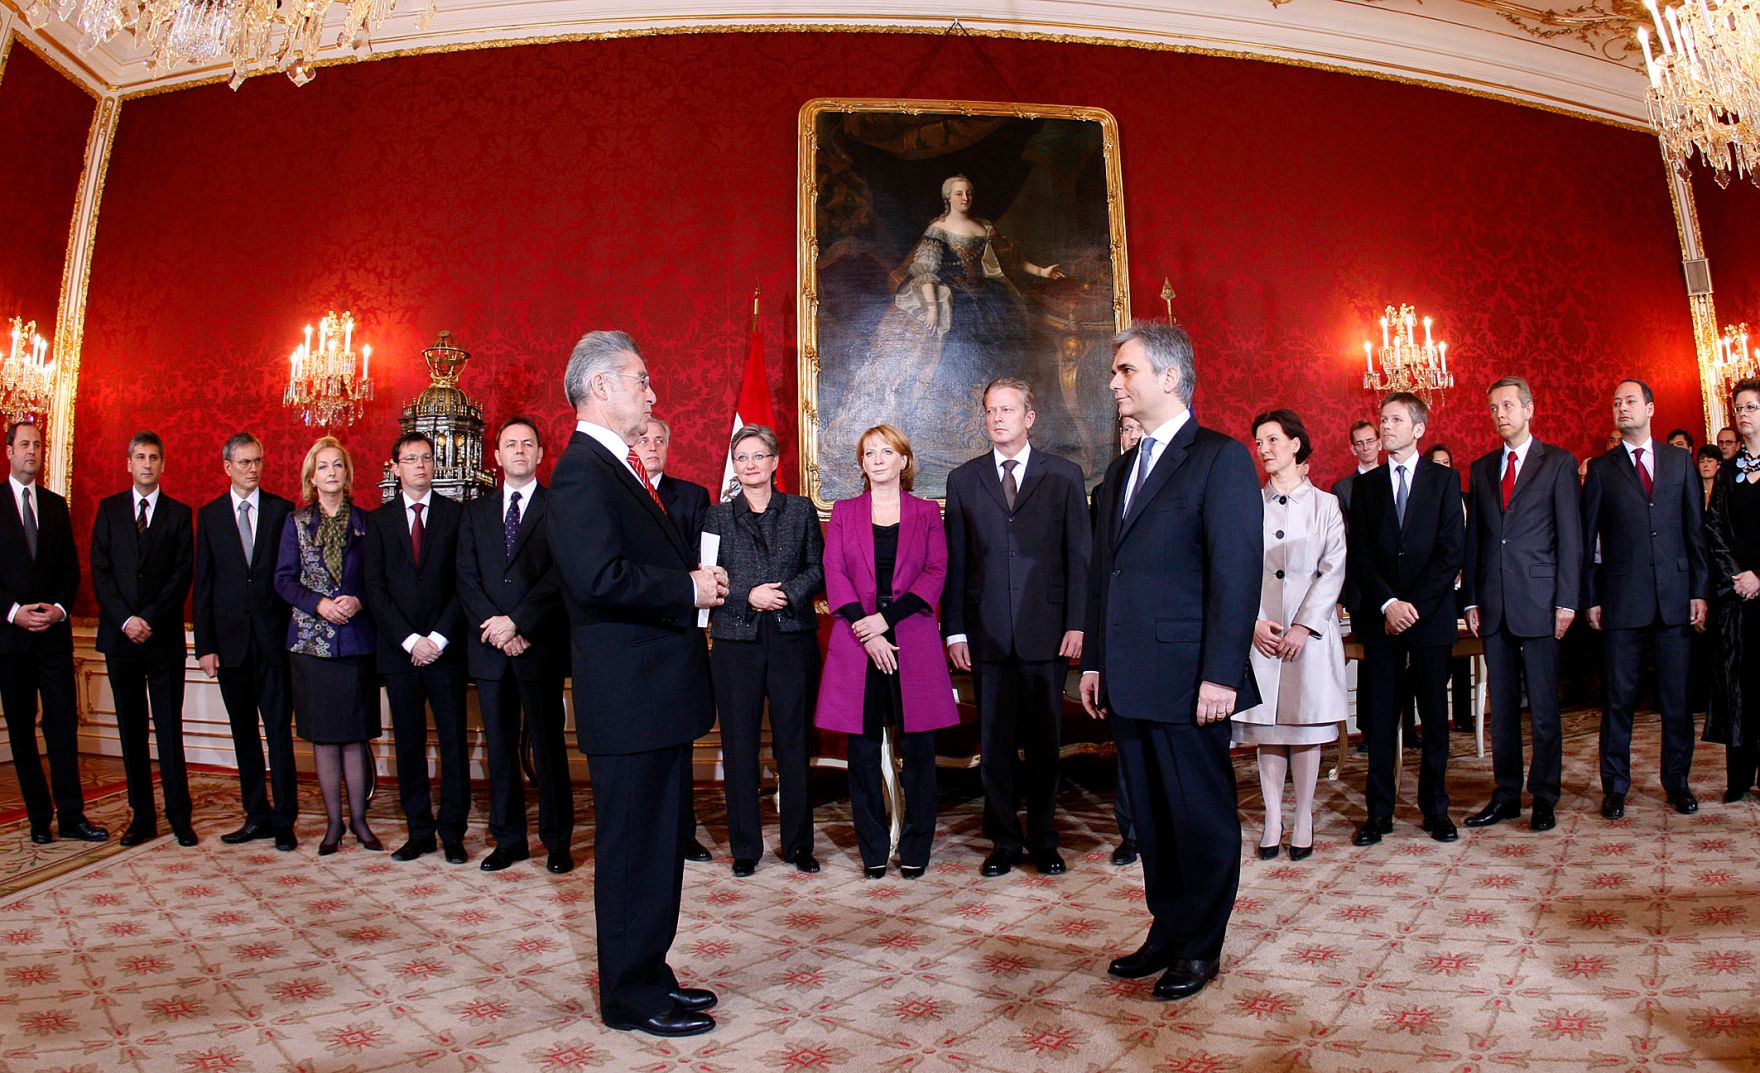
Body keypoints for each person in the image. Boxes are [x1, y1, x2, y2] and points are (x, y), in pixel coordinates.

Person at [548, 330, 726, 1038]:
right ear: (600, 387)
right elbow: (598, 579)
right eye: (641, 380)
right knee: (630, 854)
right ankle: (627, 996)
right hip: (628, 699)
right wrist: (688, 587)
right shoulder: (581, 472)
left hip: (652, 695)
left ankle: (649, 971)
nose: (652, 393)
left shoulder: (616, 465)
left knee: (655, 848)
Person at [1079, 323, 1262, 1002]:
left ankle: (1201, 944)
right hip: (1128, 676)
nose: (1114, 382)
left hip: (1191, 680)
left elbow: (1236, 575)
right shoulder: (1120, 471)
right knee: (1152, 819)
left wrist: (1221, 673)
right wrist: (1094, 661)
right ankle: (1168, 927)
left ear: (1169, 377)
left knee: (1199, 817)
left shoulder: (1220, 458)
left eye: (1125, 370)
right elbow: (1105, 575)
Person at [943, 377, 1090, 877]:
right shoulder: (964, 480)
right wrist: (955, 630)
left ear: (1029, 417)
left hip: (1046, 631)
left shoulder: (1064, 475)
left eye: (1007, 410)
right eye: (990, 410)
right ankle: (1003, 841)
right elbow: (956, 562)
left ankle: (1045, 839)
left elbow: (1079, 557)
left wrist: (1077, 623)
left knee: (1045, 745)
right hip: (985, 634)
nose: (997, 418)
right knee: (996, 745)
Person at [838, 174, 1065, 479]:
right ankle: (951, 436)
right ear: (948, 198)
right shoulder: (939, 229)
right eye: (959, 193)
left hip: (990, 299)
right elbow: (926, 270)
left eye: (968, 192)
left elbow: (1011, 260)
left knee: (1001, 355)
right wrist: (932, 308)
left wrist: (1042, 271)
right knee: (952, 355)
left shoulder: (984, 227)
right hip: (954, 299)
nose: (965, 198)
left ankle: (995, 430)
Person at [816, 424, 960, 880]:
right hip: (858, 640)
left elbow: (936, 570)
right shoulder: (844, 512)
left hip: (911, 637)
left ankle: (916, 847)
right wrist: (870, 631)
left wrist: (887, 620)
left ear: (904, 460)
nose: (877, 459)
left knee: (918, 751)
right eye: (869, 453)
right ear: (862, 464)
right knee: (861, 752)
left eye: (886, 451)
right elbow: (834, 572)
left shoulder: (926, 513)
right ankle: (873, 849)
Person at [1582, 378, 1708, 819]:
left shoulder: (1679, 461)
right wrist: (1591, 597)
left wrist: (1699, 589)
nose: (1622, 408)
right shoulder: (1602, 469)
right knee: (1619, 699)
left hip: (1674, 597)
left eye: (1630, 401)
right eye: (1616, 402)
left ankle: (1678, 782)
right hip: (1621, 600)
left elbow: (1695, 530)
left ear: (1650, 408)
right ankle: (1615, 787)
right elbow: (1588, 540)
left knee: (1676, 700)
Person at [703, 424, 826, 877]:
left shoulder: (800, 509)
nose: (750, 464)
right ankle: (745, 848)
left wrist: (787, 593)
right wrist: (748, 595)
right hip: (736, 643)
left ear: (774, 462)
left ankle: (799, 845)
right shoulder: (716, 516)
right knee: (739, 746)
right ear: (734, 467)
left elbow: (819, 568)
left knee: (794, 744)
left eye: (758, 456)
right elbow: (709, 578)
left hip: (792, 638)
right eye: (742, 458)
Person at [1460, 377, 1581, 833]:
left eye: (1508, 406)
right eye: (1493, 408)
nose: (1500, 415)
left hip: (1541, 600)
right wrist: (1471, 599)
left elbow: (1569, 536)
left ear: (1529, 409)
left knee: (1544, 709)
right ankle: (1506, 794)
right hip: (1493, 603)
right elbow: (1477, 540)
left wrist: (1567, 600)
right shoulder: (1482, 468)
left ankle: (1545, 795)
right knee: (1503, 709)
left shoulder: (1558, 462)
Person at [457, 416, 575, 874]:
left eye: (528, 444)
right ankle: (508, 840)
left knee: (547, 748)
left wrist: (519, 622)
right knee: (500, 749)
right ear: (497, 455)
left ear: (541, 454)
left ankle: (557, 841)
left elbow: (561, 573)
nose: (519, 451)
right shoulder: (475, 512)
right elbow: (466, 577)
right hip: (491, 650)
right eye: (511, 444)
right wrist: (497, 628)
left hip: (538, 646)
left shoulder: (558, 506)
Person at [1347, 392, 1465, 846]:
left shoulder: (1444, 480)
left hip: (1430, 618)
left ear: (1418, 429)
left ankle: (1436, 809)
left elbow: (1450, 551)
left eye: (1395, 419)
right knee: (1380, 720)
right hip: (1382, 621)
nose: (1386, 426)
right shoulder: (1367, 486)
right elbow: (1360, 554)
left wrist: (1413, 606)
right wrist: (1388, 605)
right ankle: (1379, 814)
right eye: (1383, 419)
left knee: (1435, 719)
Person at [1234, 409, 1345, 862]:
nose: (1264, 449)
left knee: (1304, 725)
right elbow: (1235, 567)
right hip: (1262, 633)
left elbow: (1333, 569)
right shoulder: (1248, 504)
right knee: (1269, 729)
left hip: (1308, 636)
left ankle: (1303, 818)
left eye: (1273, 440)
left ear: (1296, 444)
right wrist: (1253, 621)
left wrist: (1303, 626)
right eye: (1259, 442)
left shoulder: (1325, 505)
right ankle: (1273, 818)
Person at [365, 432, 471, 865]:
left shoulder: (457, 515)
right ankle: (419, 832)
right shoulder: (379, 521)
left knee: (453, 744)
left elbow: (464, 582)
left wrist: (438, 638)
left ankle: (453, 833)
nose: (420, 466)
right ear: (396, 467)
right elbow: (375, 589)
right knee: (408, 744)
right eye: (410, 459)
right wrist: (410, 640)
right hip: (400, 653)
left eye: (426, 458)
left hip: (447, 651)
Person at [1, 421, 107, 845]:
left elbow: (69, 570)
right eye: (24, 444)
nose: (32, 451)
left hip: (53, 638)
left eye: (38, 444)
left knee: (62, 727)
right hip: (11, 640)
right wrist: (14, 613)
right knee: (21, 730)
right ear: (9, 451)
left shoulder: (55, 505)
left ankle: (72, 816)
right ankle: (39, 818)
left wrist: (59, 610)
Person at [274, 437, 381, 856]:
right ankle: (333, 824)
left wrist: (358, 600)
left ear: (347, 474)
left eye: (338, 465)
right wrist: (318, 603)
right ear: (312, 477)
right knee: (323, 738)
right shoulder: (296, 522)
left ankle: (360, 821)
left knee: (354, 736)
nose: (331, 472)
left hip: (355, 643)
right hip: (311, 647)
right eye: (323, 466)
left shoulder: (366, 523)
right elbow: (283, 580)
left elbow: (378, 577)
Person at [193, 433, 298, 851]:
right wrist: (205, 646)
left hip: (274, 644)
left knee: (279, 733)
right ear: (228, 467)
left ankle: (285, 821)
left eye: (257, 461)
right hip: (230, 645)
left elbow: (290, 576)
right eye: (244, 462)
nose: (253, 468)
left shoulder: (281, 510)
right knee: (243, 734)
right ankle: (257, 816)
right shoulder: (211, 516)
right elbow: (203, 584)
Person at [92, 431, 196, 847]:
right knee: (131, 729)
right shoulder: (109, 510)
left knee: (169, 728)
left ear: (163, 465)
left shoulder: (178, 513)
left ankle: (179, 816)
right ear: (129, 463)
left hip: (162, 637)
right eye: (140, 457)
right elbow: (100, 570)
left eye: (154, 457)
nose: (147, 464)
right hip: (121, 639)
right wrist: (125, 620)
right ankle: (142, 817)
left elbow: (181, 575)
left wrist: (148, 618)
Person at [634, 414, 714, 863]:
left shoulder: (692, 497)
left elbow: (702, 561)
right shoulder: (619, 492)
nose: (651, 446)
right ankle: (646, 832)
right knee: (640, 738)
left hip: (680, 630)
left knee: (678, 738)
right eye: (643, 439)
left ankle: (683, 832)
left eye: (659, 440)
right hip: (633, 630)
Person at [1705, 378, 1760, 804]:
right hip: (1737, 596)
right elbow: (1715, 529)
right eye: (1738, 408)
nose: (1742, 415)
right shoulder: (1727, 472)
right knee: (1738, 685)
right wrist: (1738, 575)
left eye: (1751, 407)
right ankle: (1738, 778)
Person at [1106, 413, 1144, 867]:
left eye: (1138, 428)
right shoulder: (1109, 487)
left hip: (1163, 638)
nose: (1131, 436)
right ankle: (1130, 834)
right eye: (1126, 430)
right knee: (1128, 747)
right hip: (1119, 638)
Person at [1698, 444, 1722, 509]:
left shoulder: (1725, 490)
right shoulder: (1694, 491)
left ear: (1719, 464)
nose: (1705, 465)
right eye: (1701, 461)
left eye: (1709, 461)